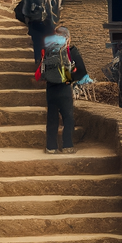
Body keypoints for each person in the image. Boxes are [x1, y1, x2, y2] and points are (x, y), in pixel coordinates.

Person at [36, 26, 91, 154]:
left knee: (52, 118)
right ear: (68, 38)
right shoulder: (70, 50)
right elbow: (82, 71)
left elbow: (42, 68)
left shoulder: (47, 50)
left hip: (50, 89)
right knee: (68, 118)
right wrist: (69, 78)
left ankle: (51, 147)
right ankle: (67, 146)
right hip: (64, 87)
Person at [14, 0, 59, 66]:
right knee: (49, 45)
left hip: (34, 22)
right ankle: (50, 68)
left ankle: (38, 64)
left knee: (37, 44)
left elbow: (25, 9)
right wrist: (54, 22)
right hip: (49, 22)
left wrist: (28, 20)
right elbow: (56, 8)